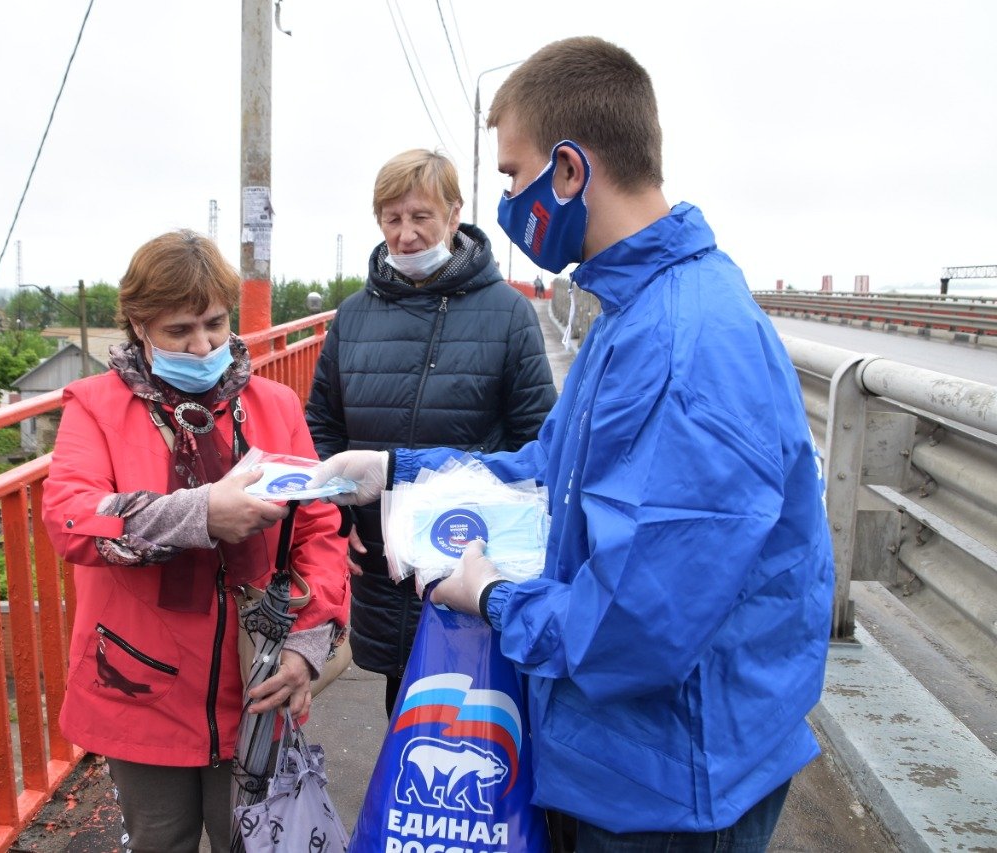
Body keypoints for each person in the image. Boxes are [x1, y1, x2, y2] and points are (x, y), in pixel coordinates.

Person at [308, 37, 834, 852]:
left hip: (670, 780)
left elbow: (637, 627)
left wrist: (490, 595)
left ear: (568, 171)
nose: (512, 201)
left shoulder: (677, 346)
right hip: (646, 757)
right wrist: (395, 472)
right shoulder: (640, 309)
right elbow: (549, 469)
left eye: (514, 176)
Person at [41, 230, 350, 852]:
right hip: (138, 677)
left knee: (255, 840)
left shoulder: (276, 405)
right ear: (138, 324)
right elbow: (71, 517)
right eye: (179, 330)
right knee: (161, 841)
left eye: (214, 323)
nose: (203, 345)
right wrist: (203, 513)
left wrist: (309, 645)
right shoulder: (96, 407)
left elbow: (318, 529)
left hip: (258, 675)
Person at [305, 148, 557, 717]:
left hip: (475, 554)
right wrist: (334, 512)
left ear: (453, 213)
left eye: (420, 216)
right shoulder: (353, 316)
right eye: (392, 220)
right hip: (382, 558)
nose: (407, 234)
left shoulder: (508, 314)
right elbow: (321, 421)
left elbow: (538, 439)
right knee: (407, 707)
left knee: (486, 708)